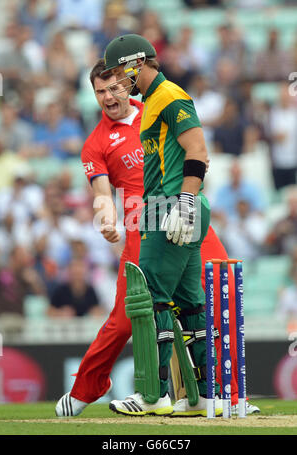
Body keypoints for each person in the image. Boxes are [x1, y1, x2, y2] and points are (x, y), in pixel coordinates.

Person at [55, 57, 260, 417]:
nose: (108, 96)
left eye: (114, 87)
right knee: (124, 319)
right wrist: (106, 218)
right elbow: (102, 193)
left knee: (219, 289)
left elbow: (194, 149)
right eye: (100, 91)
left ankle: (227, 394)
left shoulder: (157, 105)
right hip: (143, 228)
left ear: (128, 82)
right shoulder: (96, 143)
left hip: (185, 213)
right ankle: (87, 389)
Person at [102, 34, 219, 417]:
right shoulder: (152, 101)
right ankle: (204, 395)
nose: (118, 82)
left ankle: (154, 394)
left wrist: (185, 200)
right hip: (173, 207)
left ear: (138, 63)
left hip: (172, 206)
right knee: (191, 305)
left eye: (120, 72)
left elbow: (198, 150)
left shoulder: (168, 95)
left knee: (148, 300)